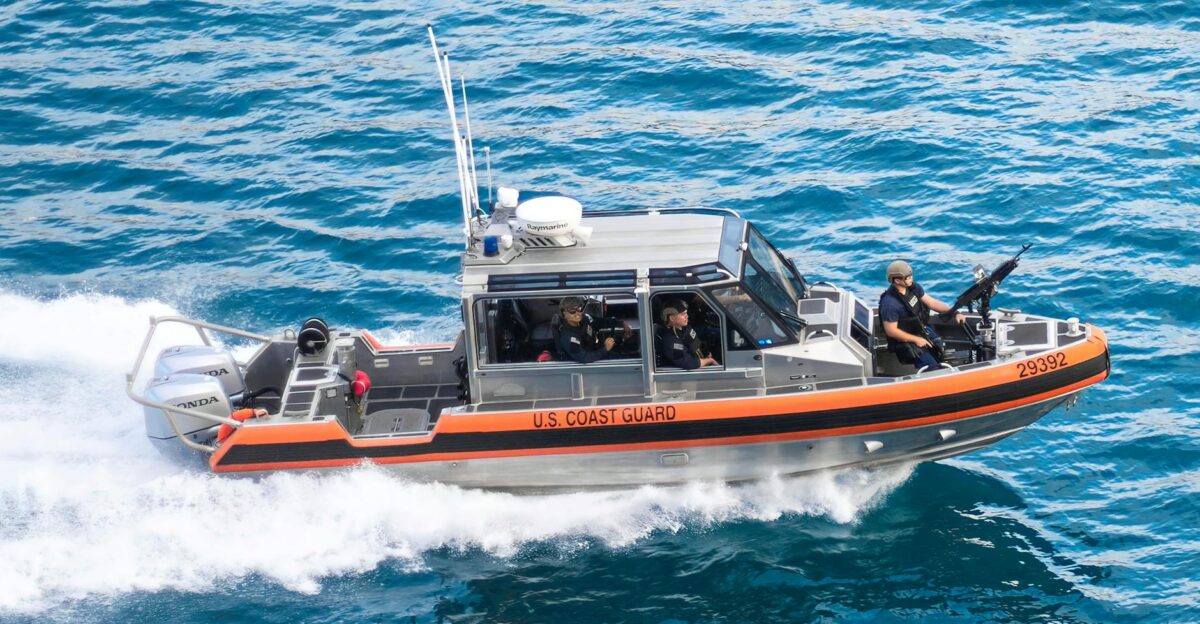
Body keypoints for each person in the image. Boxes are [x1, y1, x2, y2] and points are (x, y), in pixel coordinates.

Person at [879, 260, 966, 370]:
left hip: (920, 330)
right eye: (907, 277)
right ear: (896, 280)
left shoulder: (914, 288)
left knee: (939, 348)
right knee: (932, 368)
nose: (911, 278)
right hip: (905, 341)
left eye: (911, 275)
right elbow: (891, 331)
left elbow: (932, 303)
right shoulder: (890, 303)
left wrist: (955, 312)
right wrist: (916, 340)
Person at [555, 296, 632, 364]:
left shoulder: (585, 318)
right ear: (564, 313)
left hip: (597, 349)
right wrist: (605, 349)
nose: (578, 313)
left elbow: (600, 322)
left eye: (579, 309)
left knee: (628, 352)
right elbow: (584, 358)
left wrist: (620, 323)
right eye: (572, 311)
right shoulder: (569, 338)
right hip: (593, 360)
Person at [657, 301, 719, 369]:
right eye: (683, 314)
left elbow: (696, 342)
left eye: (686, 313)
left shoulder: (685, 328)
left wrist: (706, 353)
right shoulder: (671, 341)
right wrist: (710, 361)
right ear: (672, 318)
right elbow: (688, 363)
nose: (687, 316)